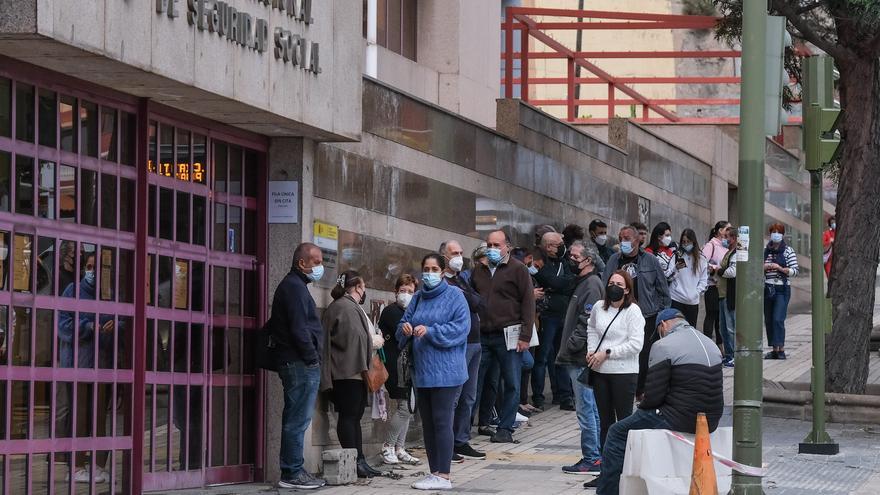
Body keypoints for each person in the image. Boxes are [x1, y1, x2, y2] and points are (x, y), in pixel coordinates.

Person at [587, 308, 723, 493]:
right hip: (712, 419)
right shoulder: (710, 343)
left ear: (663, 325)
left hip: (680, 417)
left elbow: (653, 396)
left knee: (617, 432)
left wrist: (642, 408)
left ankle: (607, 490)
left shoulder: (664, 346)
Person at [397, 253, 470, 491]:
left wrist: (430, 331)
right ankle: (434, 472)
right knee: (428, 423)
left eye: (434, 269)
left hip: (447, 371)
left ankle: (445, 475)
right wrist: (405, 329)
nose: (429, 273)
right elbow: (402, 326)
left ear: (442, 271)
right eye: (425, 268)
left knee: (441, 421)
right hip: (422, 371)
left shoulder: (455, 296)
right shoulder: (417, 297)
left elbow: (460, 329)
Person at [267, 242, 326, 489]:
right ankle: (291, 472)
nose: (320, 267)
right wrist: (312, 358)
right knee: (297, 419)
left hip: (298, 361)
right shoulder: (293, 288)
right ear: (302, 263)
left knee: (298, 418)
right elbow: (299, 329)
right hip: (299, 362)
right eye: (316, 262)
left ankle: (294, 469)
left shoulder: (296, 286)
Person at [472, 230, 536, 444]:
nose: (492, 249)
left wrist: (525, 335)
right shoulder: (478, 271)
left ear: (507, 246)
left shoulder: (518, 269)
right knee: (476, 381)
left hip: (509, 334)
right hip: (483, 335)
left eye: (496, 245)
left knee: (511, 382)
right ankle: (467, 425)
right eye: (489, 245)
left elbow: (528, 302)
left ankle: (505, 428)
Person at [320, 270, 383, 478]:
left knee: (354, 417)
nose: (364, 291)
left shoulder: (347, 306)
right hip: (345, 372)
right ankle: (355, 462)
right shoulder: (342, 307)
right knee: (349, 417)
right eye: (363, 287)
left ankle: (360, 460)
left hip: (354, 371)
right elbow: (345, 340)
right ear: (357, 287)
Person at [58, 253, 114, 484]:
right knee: (80, 415)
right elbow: (63, 324)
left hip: (101, 364)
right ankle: (77, 465)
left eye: (95, 267)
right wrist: (89, 326)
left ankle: (100, 465)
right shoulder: (72, 290)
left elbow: (123, 320)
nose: (91, 271)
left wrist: (114, 327)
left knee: (100, 416)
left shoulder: (108, 295)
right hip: (78, 363)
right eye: (88, 267)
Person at [601, 225, 670, 400]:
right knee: (623, 351)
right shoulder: (614, 261)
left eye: (627, 238)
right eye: (620, 238)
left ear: (637, 240)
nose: (623, 242)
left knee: (644, 354)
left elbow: (663, 289)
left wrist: (661, 314)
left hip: (647, 315)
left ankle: (641, 390)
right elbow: (605, 287)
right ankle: (627, 388)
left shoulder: (651, 261)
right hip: (620, 315)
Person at [556, 241, 605, 475]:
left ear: (588, 260)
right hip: (578, 354)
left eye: (575, 257)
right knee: (589, 408)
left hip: (580, 357)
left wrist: (571, 345)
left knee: (586, 409)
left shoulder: (591, 285)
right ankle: (595, 455)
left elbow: (587, 320)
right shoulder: (583, 283)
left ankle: (593, 458)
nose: (571, 260)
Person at [440, 240, 488, 462]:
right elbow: (469, 301)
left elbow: (479, 303)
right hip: (460, 344)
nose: (459, 256)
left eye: (461, 252)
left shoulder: (462, 279)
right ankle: (447, 443)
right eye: (454, 253)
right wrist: (470, 299)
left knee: (469, 396)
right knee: (455, 397)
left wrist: (470, 298)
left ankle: (461, 439)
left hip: (475, 341)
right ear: (444, 256)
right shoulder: (442, 283)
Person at [588, 270, 645, 446]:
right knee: (605, 422)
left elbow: (636, 345)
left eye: (619, 285)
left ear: (627, 290)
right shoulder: (599, 307)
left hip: (624, 373)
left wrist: (607, 353)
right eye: (611, 283)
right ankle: (606, 464)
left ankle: (624, 463)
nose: (614, 287)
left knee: (623, 421)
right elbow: (591, 329)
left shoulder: (633, 311)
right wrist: (591, 350)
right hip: (600, 371)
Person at [378, 274, 422, 466]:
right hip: (396, 366)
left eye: (410, 291)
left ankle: (400, 448)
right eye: (402, 291)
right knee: (404, 408)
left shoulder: (413, 311)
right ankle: (388, 446)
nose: (406, 295)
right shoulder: (391, 311)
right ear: (395, 292)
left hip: (409, 365)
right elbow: (406, 335)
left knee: (408, 409)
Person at [532, 231, 576, 411]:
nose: (562, 247)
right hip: (547, 315)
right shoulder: (538, 260)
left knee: (561, 356)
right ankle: (538, 397)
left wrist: (555, 283)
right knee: (542, 357)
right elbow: (550, 279)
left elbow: (569, 282)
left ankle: (564, 396)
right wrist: (555, 282)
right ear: (549, 246)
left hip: (563, 314)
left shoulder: (564, 263)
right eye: (559, 244)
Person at [763, 223, 799, 360]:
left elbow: (795, 271)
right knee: (769, 319)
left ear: (783, 234)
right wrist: (765, 267)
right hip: (767, 288)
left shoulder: (788, 250)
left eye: (778, 232)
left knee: (778, 318)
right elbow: (757, 266)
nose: (775, 234)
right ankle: (774, 349)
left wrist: (780, 268)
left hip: (782, 289)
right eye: (773, 231)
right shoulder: (766, 250)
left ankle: (781, 348)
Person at [668, 228, 708, 327]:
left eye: (688, 242)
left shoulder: (701, 259)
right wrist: (675, 268)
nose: (686, 244)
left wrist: (696, 292)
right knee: (675, 328)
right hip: (676, 298)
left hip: (692, 301)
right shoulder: (677, 256)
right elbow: (668, 276)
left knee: (690, 329)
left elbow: (704, 281)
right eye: (683, 242)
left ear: (693, 242)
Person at [702, 220, 731, 346]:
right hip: (712, 286)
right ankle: (708, 345)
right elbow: (702, 262)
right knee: (711, 316)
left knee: (721, 319)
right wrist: (714, 268)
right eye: (727, 229)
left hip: (724, 287)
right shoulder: (711, 245)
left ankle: (721, 346)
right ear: (720, 231)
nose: (730, 232)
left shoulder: (726, 246)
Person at [718, 227, 738, 367]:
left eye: (727, 237)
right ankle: (729, 355)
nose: (724, 239)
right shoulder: (728, 252)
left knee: (731, 327)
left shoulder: (736, 253)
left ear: (734, 238)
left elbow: (732, 272)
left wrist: (717, 270)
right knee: (723, 328)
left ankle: (734, 355)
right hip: (722, 294)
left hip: (729, 295)